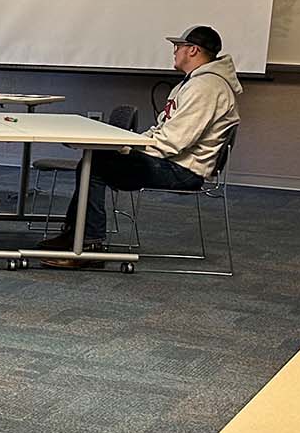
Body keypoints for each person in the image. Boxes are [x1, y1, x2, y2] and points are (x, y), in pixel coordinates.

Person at [43, 25, 240, 268]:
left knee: (95, 165)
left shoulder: (206, 87)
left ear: (193, 50)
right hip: (173, 161)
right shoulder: (191, 84)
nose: (174, 51)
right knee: (94, 161)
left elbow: (174, 141)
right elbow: (163, 131)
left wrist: (131, 149)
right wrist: (133, 144)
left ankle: (90, 245)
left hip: (184, 171)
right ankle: (75, 236)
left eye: (178, 46)